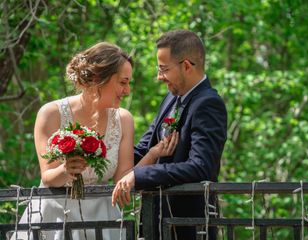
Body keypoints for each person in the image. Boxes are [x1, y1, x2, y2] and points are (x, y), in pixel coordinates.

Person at [11, 42, 177, 240]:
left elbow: (121, 179)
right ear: (100, 79)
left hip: (103, 220)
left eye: (129, 83)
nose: (127, 91)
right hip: (55, 218)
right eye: (123, 82)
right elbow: (47, 177)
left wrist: (153, 153)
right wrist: (67, 169)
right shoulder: (51, 113)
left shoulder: (123, 119)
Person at [112, 29, 228, 240]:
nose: (159, 77)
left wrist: (139, 176)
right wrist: (105, 160)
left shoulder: (209, 104)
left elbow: (201, 167)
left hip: (189, 226)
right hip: (156, 221)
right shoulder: (171, 98)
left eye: (164, 69)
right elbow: (144, 148)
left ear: (186, 65)